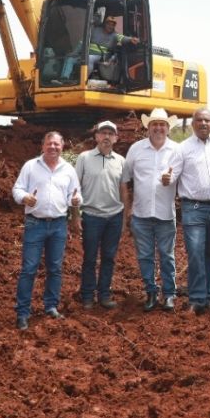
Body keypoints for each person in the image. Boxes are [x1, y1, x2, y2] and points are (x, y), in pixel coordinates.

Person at [11, 131, 81, 330]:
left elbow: (74, 195)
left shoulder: (68, 170)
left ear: (62, 146)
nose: (53, 147)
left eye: (56, 144)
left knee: (55, 268)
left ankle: (51, 306)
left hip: (59, 224)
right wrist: (25, 198)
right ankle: (23, 313)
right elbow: (17, 189)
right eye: (49, 144)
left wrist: (75, 201)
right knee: (29, 268)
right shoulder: (31, 166)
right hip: (35, 223)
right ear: (43, 146)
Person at [172, 108, 210, 314]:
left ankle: (209, 297)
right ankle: (196, 299)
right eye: (199, 120)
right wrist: (165, 178)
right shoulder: (182, 148)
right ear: (193, 124)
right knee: (195, 253)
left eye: (207, 120)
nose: (203, 123)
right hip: (193, 208)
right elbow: (172, 175)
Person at [122, 108, 179, 312]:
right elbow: (126, 179)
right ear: (148, 127)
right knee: (145, 256)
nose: (158, 128)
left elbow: (181, 177)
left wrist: (169, 179)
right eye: (154, 124)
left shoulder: (176, 150)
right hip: (141, 214)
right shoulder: (136, 149)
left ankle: (169, 294)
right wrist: (127, 210)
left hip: (165, 214)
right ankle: (151, 292)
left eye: (162, 124)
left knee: (167, 255)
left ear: (168, 127)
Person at [74, 121, 125, 310]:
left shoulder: (121, 161)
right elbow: (75, 187)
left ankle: (104, 294)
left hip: (114, 216)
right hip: (91, 215)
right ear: (96, 137)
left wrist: (125, 216)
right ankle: (87, 296)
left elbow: (123, 189)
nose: (106, 137)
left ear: (116, 138)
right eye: (103, 133)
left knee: (109, 257)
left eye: (110, 134)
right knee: (89, 257)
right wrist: (75, 215)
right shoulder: (84, 158)